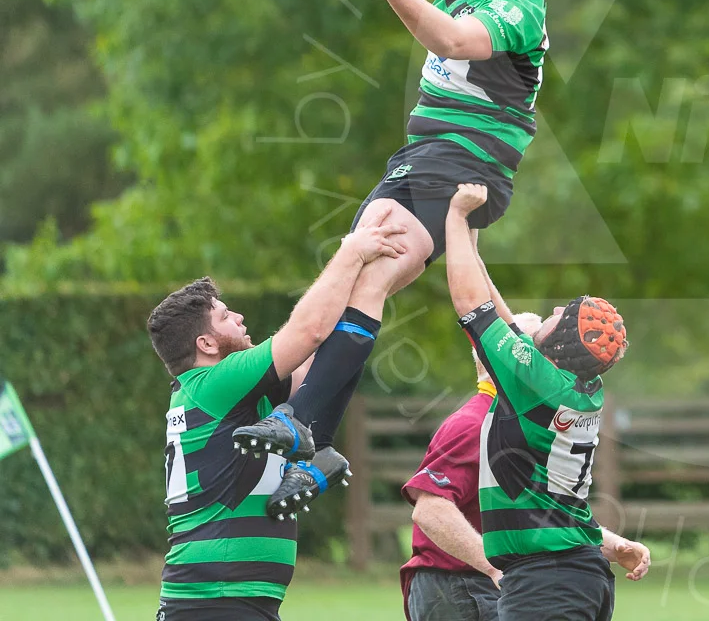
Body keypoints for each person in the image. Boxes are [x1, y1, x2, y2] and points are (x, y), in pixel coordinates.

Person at [233, 0, 549, 516]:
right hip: (419, 158)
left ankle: (301, 425)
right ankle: (314, 446)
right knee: (348, 269)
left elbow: (452, 40)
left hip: (466, 173)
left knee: (372, 269)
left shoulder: (521, 10)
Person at [147, 223, 406, 621]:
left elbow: (327, 367)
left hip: (223, 598)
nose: (239, 315)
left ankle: (314, 458)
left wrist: (377, 282)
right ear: (206, 344)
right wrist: (352, 251)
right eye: (224, 315)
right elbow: (309, 330)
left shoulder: (227, 393)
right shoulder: (217, 381)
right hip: (218, 599)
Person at [444, 182, 627, 621]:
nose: (547, 315)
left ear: (558, 346)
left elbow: (473, 305)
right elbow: (503, 323)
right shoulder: (569, 386)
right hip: (570, 574)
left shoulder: (539, 383)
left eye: (556, 317)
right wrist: (471, 238)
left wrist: (453, 216)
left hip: (550, 581)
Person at [400, 316, 650, 621]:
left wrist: (613, 544)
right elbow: (430, 510)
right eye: (540, 352)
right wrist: (493, 567)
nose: (553, 363)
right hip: (459, 585)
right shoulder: (475, 424)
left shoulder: (534, 426)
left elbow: (549, 513)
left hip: (492, 580)